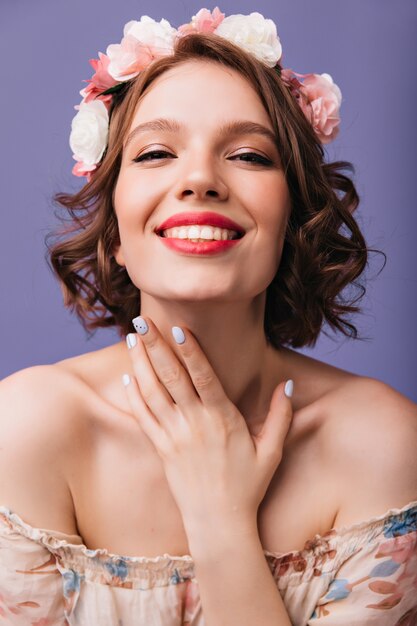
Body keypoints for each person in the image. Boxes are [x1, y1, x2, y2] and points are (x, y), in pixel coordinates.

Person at [0, 7, 416, 626]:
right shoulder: (26, 429)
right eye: (156, 153)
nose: (200, 179)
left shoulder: (384, 445)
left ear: (293, 220)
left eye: (248, 156)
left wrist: (219, 519)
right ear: (114, 229)